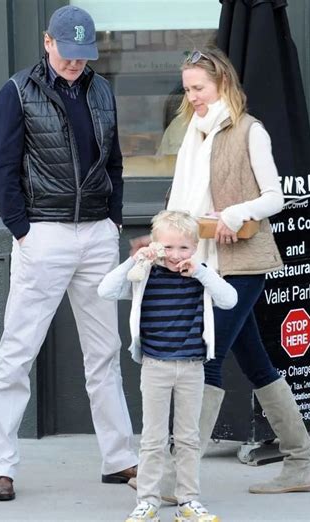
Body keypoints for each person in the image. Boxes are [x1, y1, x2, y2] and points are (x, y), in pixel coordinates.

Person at [130, 48, 310, 497]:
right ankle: (300, 461)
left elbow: (275, 196)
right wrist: (160, 239)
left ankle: (178, 476)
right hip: (198, 261)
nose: (191, 96)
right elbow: (181, 204)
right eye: (188, 88)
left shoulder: (250, 131)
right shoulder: (191, 134)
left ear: (222, 84)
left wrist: (233, 215)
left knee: (206, 356)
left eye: (199, 87)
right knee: (255, 359)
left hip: (239, 263)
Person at [0, 5, 137, 501]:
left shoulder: (101, 89)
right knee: (17, 353)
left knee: (105, 353)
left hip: (96, 233)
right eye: (67, 54)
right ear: (47, 41)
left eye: (83, 56)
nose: (75, 64)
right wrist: (22, 231)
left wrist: (113, 216)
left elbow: (113, 159)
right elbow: (2, 168)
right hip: (43, 234)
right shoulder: (16, 91)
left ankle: (119, 460)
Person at [98, 210, 237, 522]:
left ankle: (188, 501)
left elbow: (229, 300)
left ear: (195, 248)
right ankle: (147, 501)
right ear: (157, 246)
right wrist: (134, 260)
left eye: (184, 248)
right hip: (155, 365)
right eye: (168, 247)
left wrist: (201, 271)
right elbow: (105, 290)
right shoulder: (144, 275)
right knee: (153, 438)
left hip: (191, 366)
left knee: (188, 438)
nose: (176, 255)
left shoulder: (201, 275)